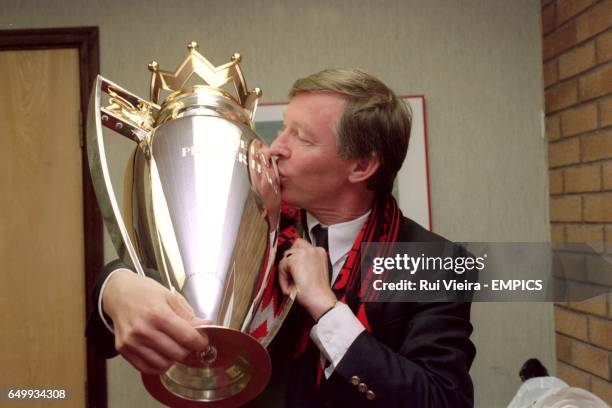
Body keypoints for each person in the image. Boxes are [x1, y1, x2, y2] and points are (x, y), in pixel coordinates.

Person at [87, 68, 476, 407]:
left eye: (302, 139)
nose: (274, 149)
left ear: (362, 165)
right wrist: (115, 289)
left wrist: (326, 308)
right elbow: (136, 289)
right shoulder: (255, 220)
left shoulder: (436, 262)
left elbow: (442, 398)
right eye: (283, 128)